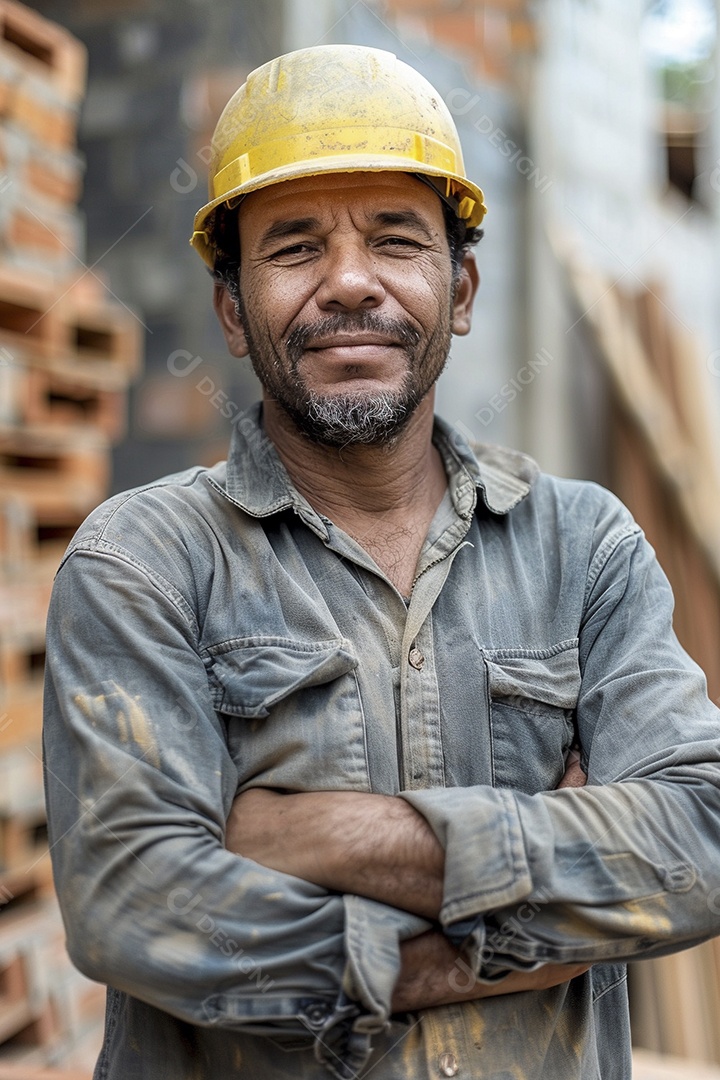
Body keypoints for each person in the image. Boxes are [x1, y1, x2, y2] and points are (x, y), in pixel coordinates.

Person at [43, 43, 720, 1080]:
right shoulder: (142, 564)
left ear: (460, 290)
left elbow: (699, 841)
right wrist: (530, 912)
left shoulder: (586, 551)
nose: (349, 283)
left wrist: (318, 839)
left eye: (397, 241)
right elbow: (137, 902)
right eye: (295, 248)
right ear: (231, 310)